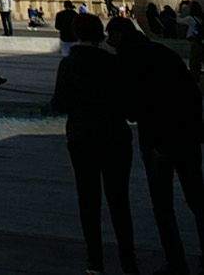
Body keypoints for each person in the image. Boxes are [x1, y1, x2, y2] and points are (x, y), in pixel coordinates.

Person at [109, 15, 204, 275]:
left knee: (163, 207)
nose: (108, 41)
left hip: (157, 141)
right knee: (197, 198)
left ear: (119, 37)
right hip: (188, 136)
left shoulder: (127, 62)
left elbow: (131, 109)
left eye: (111, 36)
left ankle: (176, 263)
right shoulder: (163, 52)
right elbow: (192, 91)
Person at [51, 14, 139, 275]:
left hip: (82, 138)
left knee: (88, 200)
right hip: (115, 136)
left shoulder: (69, 64)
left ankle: (95, 262)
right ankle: (128, 259)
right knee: (119, 201)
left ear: (77, 34)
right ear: (101, 34)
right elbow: (130, 105)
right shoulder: (114, 63)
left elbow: (59, 104)